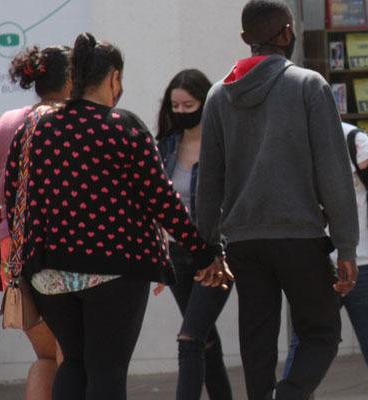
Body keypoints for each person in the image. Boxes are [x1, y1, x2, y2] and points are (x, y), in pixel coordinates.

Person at [3, 32, 231, 400]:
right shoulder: (123, 127)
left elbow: (12, 196)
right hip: (114, 269)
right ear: (113, 78)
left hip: (48, 274)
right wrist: (204, 253)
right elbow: (163, 200)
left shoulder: (34, 129)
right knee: (107, 371)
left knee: (74, 362)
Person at [195, 1, 359, 399]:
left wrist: (208, 246)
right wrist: (347, 245)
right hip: (299, 236)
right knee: (322, 332)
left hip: (243, 242)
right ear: (288, 32)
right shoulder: (308, 85)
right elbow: (333, 174)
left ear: (244, 38)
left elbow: (208, 181)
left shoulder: (218, 95)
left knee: (257, 342)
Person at [284, 122, 368, 400]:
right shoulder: (288, 139)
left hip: (366, 261)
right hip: (316, 264)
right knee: (304, 341)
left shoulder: (354, 140)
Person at [156, 69, 233, 400]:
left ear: (204, 103)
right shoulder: (166, 147)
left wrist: (217, 251)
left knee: (189, 338)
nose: (181, 112)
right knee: (206, 339)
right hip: (178, 257)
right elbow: (155, 204)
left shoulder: (223, 145)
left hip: (215, 257)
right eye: (175, 105)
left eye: (189, 105)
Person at [0, 44, 69, 400]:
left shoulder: (9, 121)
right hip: (56, 250)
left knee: (46, 355)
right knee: (71, 355)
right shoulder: (68, 123)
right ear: (73, 79)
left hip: (9, 251)